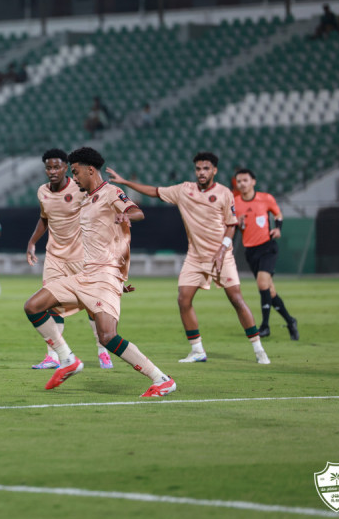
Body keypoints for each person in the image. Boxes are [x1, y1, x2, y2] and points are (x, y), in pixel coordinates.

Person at [23, 147, 175, 397]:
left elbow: (137, 212)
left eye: (76, 172)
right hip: (85, 275)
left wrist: (125, 216)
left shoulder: (110, 192)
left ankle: (161, 379)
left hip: (104, 277)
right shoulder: (86, 199)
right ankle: (67, 358)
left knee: (107, 336)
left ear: (90, 170)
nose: (74, 178)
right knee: (33, 306)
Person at [107, 152, 270, 365]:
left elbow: (231, 224)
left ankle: (259, 349)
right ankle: (197, 350)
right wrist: (125, 182)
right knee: (183, 299)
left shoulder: (224, 193)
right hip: (195, 257)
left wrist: (222, 250)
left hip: (222, 256)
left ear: (214, 171)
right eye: (198, 169)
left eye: (206, 168)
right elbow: (155, 191)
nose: (201, 172)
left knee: (236, 299)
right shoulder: (184, 190)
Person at [26, 148, 114, 370]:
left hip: (81, 256)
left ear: (66, 167)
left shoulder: (79, 188)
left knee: (93, 304)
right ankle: (55, 356)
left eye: (57, 167)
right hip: (55, 257)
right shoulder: (42, 192)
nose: (52, 171)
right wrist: (32, 242)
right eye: (48, 167)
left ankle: (103, 350)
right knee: (51, 305)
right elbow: (44, 218)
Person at [234, 169, 299, 340]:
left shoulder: (265, 198)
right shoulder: (235, 203)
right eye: (239, 181)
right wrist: (237, 223)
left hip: (267, 247)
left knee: (262, 284)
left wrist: (278, 229)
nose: (242, 184)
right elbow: (234, 226)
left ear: (253, 181)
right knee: (270, 292)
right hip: (250, 251)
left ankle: (265, 326)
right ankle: (290, 321)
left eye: (245, 180)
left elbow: (278, 214)